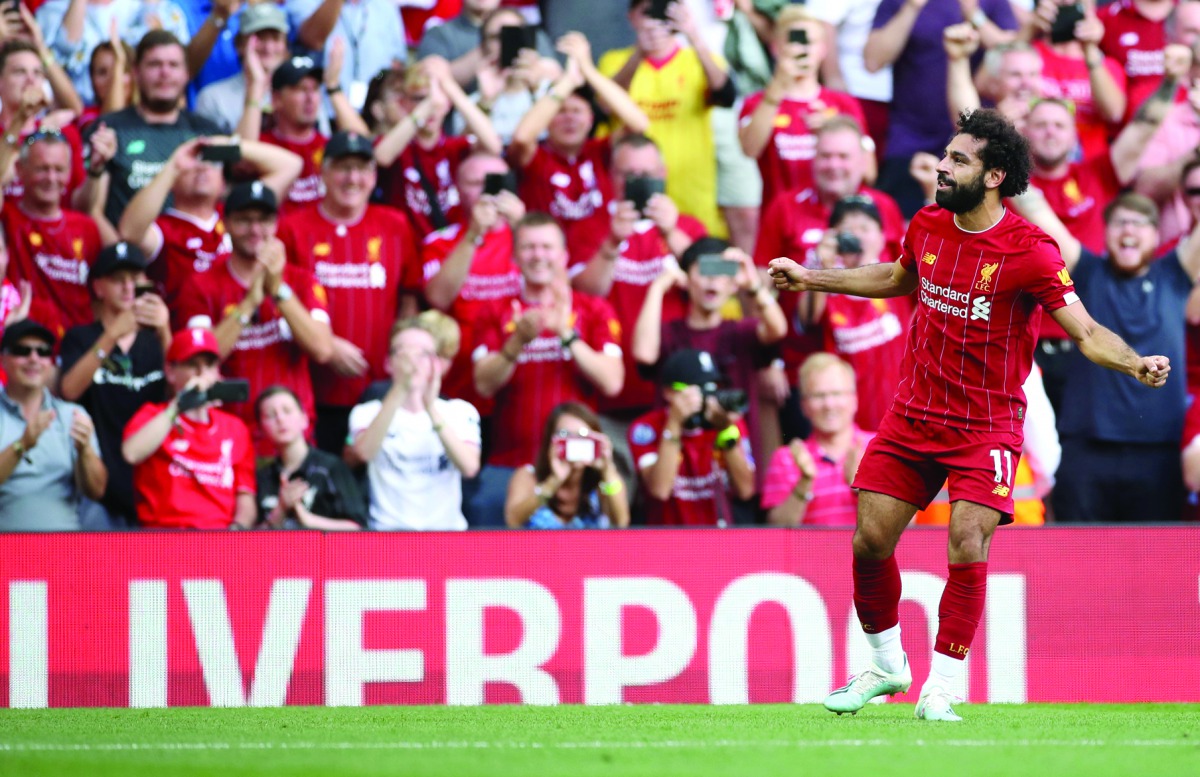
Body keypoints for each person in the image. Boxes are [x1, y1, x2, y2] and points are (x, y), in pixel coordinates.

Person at [768, 108, 1170, 721]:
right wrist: (812, 279)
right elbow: (900, 277)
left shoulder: (1032, 251)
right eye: (944, 155)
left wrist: (1136, 362)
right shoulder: (928, 223)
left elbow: (1084, 330)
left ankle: (944, 687)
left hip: (986, 426)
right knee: (870, 541)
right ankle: (885, 665)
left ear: (993, 176)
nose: (941, 166)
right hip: (913, 414)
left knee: (965, 541)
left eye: (958, 159)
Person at [1016, 190, 1200, 523]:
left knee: (1154, 565)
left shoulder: (1174, 275)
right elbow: (1037, 211)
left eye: (1139, 223)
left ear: (1157, 235)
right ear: (1106, 233)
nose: (1128, 230)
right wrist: (1001, 150)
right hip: (1085, 450)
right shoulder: (1086, 271)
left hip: (1158, 453)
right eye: (1119, 223)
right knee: (1078, 562)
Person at [471, 212, 624, 525]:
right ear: (514, 255)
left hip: (579, 470)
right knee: (492, 567)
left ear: (564, 255)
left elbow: (612, 381)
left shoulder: (593, 309)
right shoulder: (495, 310)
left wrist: (567, 336)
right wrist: (517, 343)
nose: (538, 255)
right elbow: (483, 384)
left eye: (546, 246)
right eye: (528, 247)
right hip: (509, 465)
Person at [276, 130, 421, 453]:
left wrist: (397, 352)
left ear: (373, 176)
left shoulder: (395, 224)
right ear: (323, 173)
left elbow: (409, 296)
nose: (352, 178)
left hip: (379, 389)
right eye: (343, 168)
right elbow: (279, 298)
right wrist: (325, 343)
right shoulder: (293, 227)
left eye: (362, 168)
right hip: (312, 390)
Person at [176, 182, 333, 453]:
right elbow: (201, 359)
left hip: (291, 437)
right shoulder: (200, 285)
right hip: (226, 434)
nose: (255, 230)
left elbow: (322, 350)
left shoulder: (302, 281)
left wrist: (279, 291)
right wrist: (249, 303)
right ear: (225, 223)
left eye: (264, 220)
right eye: (244, 220)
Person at [634, 237, 786, 474]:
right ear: (686, 278)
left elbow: (778, 329)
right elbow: (644, 354)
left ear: (733, 284)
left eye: (722, 272)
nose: (713, 279)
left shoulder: (741, 331)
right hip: (680, 469)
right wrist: (658, 287)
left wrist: (753, 285)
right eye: (705, 270)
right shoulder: (668, 334)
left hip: (735, 466)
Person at [509, 31, 649, 271]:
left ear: (591, 119)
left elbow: (639, 124)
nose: (569, 118)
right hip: (544, 266)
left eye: (577, 111)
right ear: (547, 117)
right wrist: (567, 82)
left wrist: (588, 71)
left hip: (601, 266)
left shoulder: (600, 152)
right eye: (561, 111)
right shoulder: (535, 156)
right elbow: (521, 137)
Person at [117, 135, 303, 314]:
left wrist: (222, 144)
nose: (202, 168)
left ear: (223, 182)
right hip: (188, 334)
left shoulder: (239, 215)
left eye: (212, 162)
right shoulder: (163, 229)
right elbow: (129, 232)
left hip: (247, 329)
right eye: (192, 163)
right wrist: (173, 166)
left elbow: (292, 165)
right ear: (172, 181)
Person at [599, 0, 737, 237]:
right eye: (647, 12)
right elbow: (602, 108)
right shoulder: (613, 61)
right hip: (634, 187)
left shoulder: (698, 60)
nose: (656, 21)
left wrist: (695, 37)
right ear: (632, 16)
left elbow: (726, 96)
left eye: (664, 12)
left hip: (691, 187)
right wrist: (638, 55)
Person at [59, 242, 169, 528]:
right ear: (98, 288)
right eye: (118, 279)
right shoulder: (81, 338)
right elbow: (69, 390)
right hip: (97, 487)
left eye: (135, 279)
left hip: (152, 488)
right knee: (98, 571)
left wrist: (166, 331)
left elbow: (177, 394)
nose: (128, 287)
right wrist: (112, 335)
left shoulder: (154, 341)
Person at [346, 312, 481, 531]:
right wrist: (400, 388)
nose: (413, 361)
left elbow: (469, 466)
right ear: (389, 363)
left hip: (446, 534)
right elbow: (364, 452)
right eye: (403, 352)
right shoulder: (367, 412)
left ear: (436, 363)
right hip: (386, 534)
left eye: (422, 354)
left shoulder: (459, 411)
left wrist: (430, 408)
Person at [122, 326, 256, 530]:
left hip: (220, 540)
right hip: (163, 537)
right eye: (193, 365)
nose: (203, 374)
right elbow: (131, 453)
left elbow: (245, 497)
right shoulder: (153, 415)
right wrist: (177, 407)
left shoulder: (235, 428)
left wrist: (236, 531)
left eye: (210, 365)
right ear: (170, 372)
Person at [87, 30, 223, 229]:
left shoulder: (207, 132)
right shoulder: (109, 130)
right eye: (154, 64)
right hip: (125, 252)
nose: (165, 73)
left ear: (187, 74)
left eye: (173, 65)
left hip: (192, 253)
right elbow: (88, 209)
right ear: (136, 72)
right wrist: (120, 250)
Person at [738, 6, 868, 211]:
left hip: (836, 218)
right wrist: (778, 87)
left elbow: (869, 172)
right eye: (794, 40)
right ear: (775, 47)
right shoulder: (757, 103)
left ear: (823, 49)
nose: (803, 48)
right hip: (780, 223)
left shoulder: (843, 104)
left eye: (810, 41)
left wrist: (834, 130)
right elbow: (749, 150)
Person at [373, 55, 502, 239]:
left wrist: (450, 86)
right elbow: (381, 157)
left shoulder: (454, 147)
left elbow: (493, 145)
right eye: (419, 98)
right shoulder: (396, 145)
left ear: (448, 103)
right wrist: (427, 107)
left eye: (438, 98)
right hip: (409, 253)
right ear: (404, 103)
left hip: (451, 253)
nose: (432, 104)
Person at [627, 347, 755, 526]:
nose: (708, 397)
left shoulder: (728, 424)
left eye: (714, 388)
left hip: (718, 540)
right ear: (670, 392)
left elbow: (746, 490)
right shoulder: (646, 428)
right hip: (666, 541)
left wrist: (725, 431)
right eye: (699, 389)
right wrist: (674, 423)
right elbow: (660, 490)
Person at [0, 319, 106, 531]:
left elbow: (96, 490)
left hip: (62, 551)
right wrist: (22, 445)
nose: (34, 359)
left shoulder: (71, 415)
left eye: (43, 352)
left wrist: (85, 452)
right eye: (23, 350)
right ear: (3, 359)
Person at [0, 125, 104, 340]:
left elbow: (98, 296)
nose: (51, 178)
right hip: (27, 347)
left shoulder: (86, 227)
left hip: (77, 350)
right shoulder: (8, 217)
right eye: (42, 168)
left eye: (59, 169)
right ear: (19, 169)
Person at [763, 353, 872, 527]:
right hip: (811, 554)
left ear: (855, 400)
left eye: (837, 393)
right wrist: (804, 482)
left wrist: (862, 487)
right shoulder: (786, 458)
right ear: (803, 406)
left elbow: (908, 524)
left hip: (869, 555)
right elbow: (776, 529)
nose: (829, 404)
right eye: (819, 396)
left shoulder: (881, 449)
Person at [255, 385, 366, 530]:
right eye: (271, 415)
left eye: (287, 411)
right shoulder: (262, 477)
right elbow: (247, 539)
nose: (280, 419)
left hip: (326, 551)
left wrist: (308, 520)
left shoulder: (331, 467)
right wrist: (280, 510)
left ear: (304, 419)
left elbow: (359, 528)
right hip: (277, 552)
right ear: (261, 429)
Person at [505, 401, 630, 529]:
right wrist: (554, 481)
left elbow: (621, 522)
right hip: (538, 549)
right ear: (550, 440)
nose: (573, 442)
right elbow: (513, 521)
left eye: (582, 435)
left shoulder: (604, 483)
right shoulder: (528, 475)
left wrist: (607, 471)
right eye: (564, 435)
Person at [287, 0, 409, 108]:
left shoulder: (384, 6)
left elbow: (396, 63)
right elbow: (313, 40)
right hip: (324, 112)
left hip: (373, 113)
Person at [194, 3, 293, 134]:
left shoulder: (302, 92)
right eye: (259, 38)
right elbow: (224, 153)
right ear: (239, 44)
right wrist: (257, 84)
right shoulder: (213, 98)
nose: (268, 48)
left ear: (286, 46)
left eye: (275, 38)